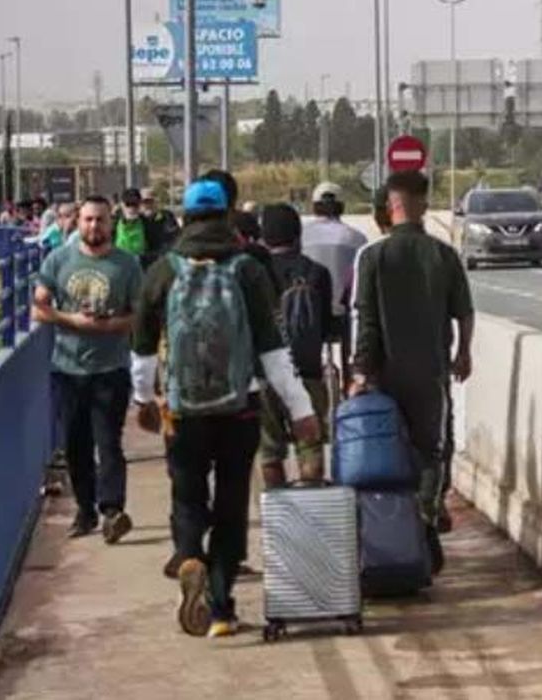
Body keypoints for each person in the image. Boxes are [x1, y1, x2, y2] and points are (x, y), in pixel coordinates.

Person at [130, 179, 321, 639]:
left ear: (186, 218)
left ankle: (190, 552)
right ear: (226, 214)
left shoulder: (164, 270)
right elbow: (274, 349)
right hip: (241, 407)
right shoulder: (246, 270)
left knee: (187, 492)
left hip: (183, 408)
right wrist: (301, 409)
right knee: (232, 502)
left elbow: (140, 348)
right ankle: (220, 609)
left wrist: (143, 399)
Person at [350, 170, 474, 553]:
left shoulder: (372, 257)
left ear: (392, 205)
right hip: (430, 372)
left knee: (384, 451)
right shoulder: (443, 254)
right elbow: (464, 312)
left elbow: (367, 321)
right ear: (422, 204)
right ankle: (426, 519)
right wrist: (463, 352)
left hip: (384, 375)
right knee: (432, 450)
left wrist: (360, 372)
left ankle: (390, 531)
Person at [33, 195, 144, 542]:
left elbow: (139, 313)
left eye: (100, 220)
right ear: (77, 222)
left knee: (108, 441)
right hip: (67, 369)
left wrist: (111, 325)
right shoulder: (58, 260)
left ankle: (112, 510)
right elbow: (39, 308)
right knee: (76, 445)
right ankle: (85, 511)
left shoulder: (127, 265)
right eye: (88, 220)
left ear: (111, 223)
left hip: (110, 368)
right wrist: (73, 320)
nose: (94, 226)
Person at [256, 203, 335, 489]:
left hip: (265, 377)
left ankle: (278, 513)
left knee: (269, 452)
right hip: (307, 372)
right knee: (310, 445)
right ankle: (311, 510)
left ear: (264, 236)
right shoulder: (317, 273)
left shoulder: (254, 273)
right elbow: (326, 327)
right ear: (298, 234)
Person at [301, 181, 368, 388]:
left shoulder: (301, 235)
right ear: (341, 206)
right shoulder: (357, 238)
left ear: (314, 206)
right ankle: (352, 383)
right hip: (345, 316)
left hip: (310, 317)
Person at [141, 191, 181, 268]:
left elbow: (175, 236)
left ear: (156, 202)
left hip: (164, 259)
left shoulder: (167, 216)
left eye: (151, 202)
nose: (148, 205)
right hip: (144, 261)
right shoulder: (138, 221)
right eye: (145, 202)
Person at [115, 188, 148, 259]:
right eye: (128, 204)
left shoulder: (147, 223)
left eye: (135, 204)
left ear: (140, 204)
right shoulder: (112, 223)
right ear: (122, 205)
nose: (131, 208)